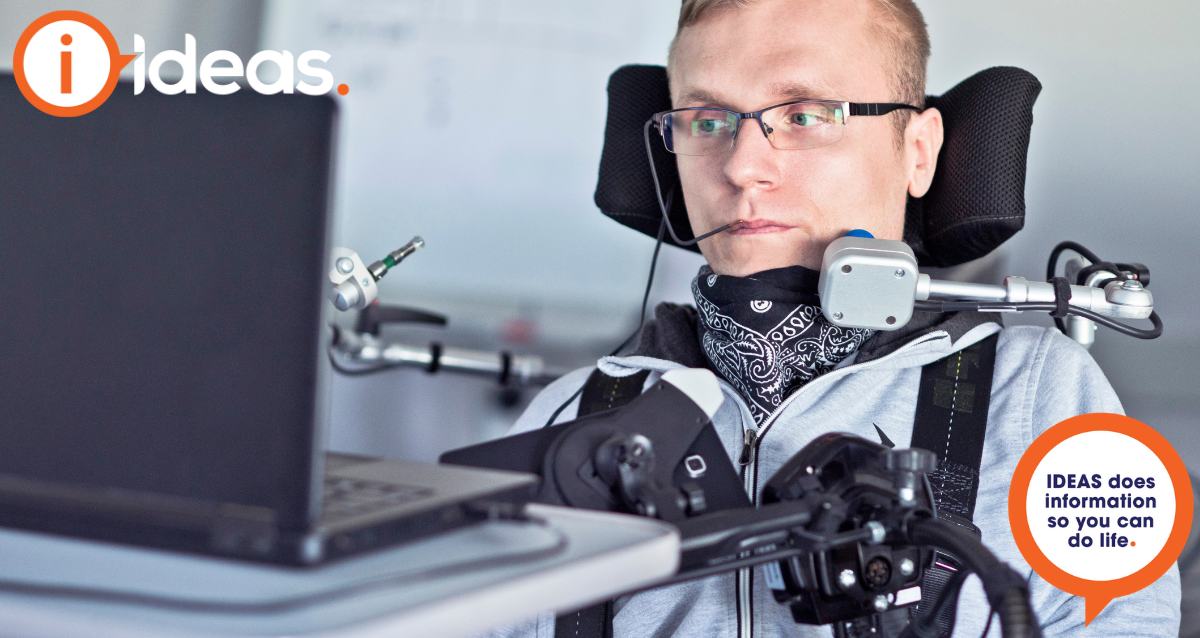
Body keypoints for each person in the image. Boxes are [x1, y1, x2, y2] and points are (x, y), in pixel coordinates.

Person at [495, 0, 1181, 636]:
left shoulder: (1045, 397)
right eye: (708, 122)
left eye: (804, 116)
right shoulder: (568, 418)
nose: (742, 166)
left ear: (918, 151)